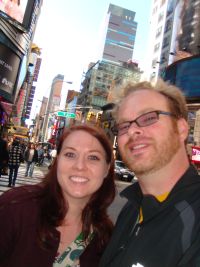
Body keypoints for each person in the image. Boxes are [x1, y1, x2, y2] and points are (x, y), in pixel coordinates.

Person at [99, 79, 200, 267]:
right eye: (123, 125)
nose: (133, 130)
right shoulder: (131, 209)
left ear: (181, 129)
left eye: (148, 118)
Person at [0, 124, 116, 267]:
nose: (80, 166)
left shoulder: (105, 236)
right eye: (70, 154)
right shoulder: (16, 207)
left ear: (106, 169)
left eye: (93, 157)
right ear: (57, 161)